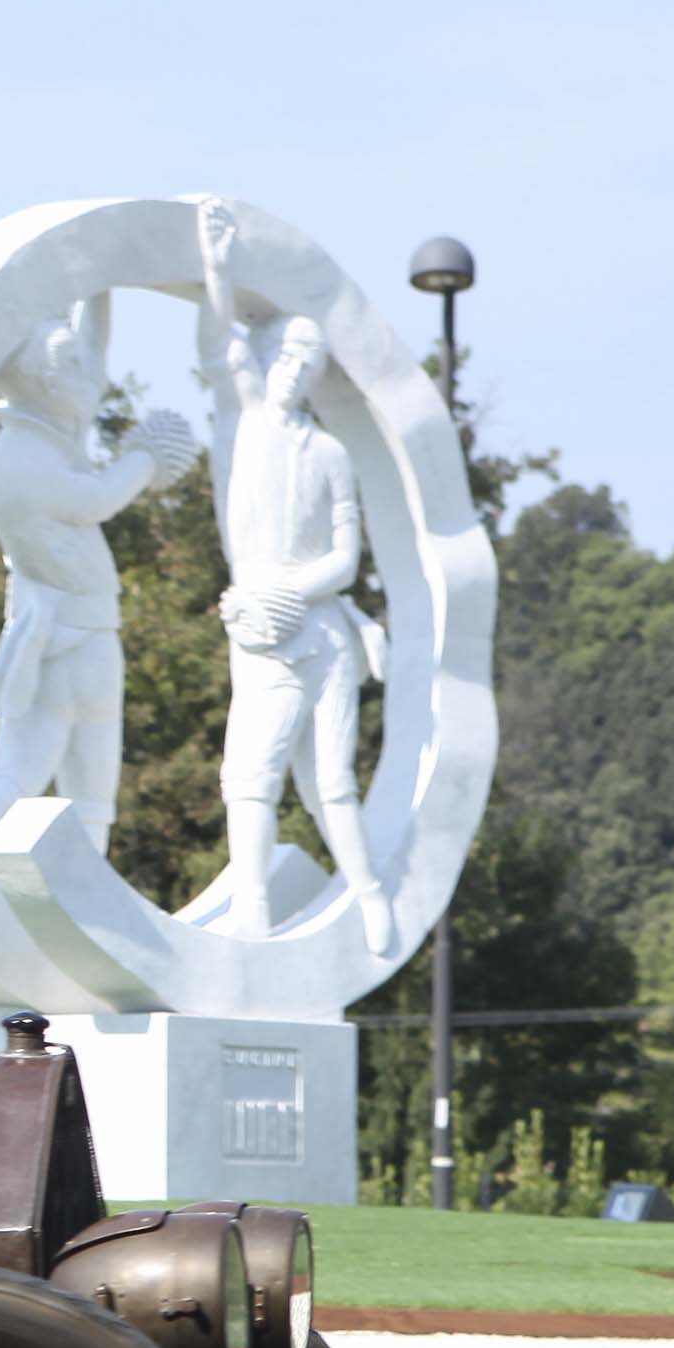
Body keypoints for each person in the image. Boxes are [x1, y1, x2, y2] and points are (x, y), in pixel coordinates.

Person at [0, 292, 200, 907]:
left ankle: (81, 896)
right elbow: (98, 499)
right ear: (42, 381)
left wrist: (94, 281)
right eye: (71, 368)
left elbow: (94, 351)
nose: (88, 378)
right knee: (44, 774)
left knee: (76, 777)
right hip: (66, 639)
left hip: (76, 633)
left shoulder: (47, 433)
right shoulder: (26, 459)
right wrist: (145, 457)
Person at [193, 197, 395, 953]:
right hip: (263, 635)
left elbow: (345, 561)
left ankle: (369, 896)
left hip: (318, 630)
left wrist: (294, 590)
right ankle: (253, 906)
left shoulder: (331, 453)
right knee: (249, 773)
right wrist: (217, 270)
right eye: (285, 355)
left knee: (331, 782)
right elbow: (219, 344)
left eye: (307, 364)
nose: (292, 371)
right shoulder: (240, 423)